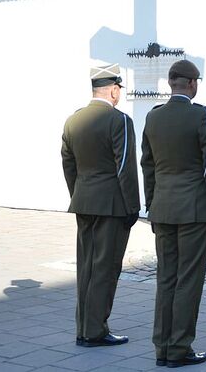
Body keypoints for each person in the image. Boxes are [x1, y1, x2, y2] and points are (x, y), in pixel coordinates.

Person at [140, 60, 206, 368]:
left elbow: (147, 166)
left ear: (170, 83)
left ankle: (162, 346)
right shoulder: (201, 114)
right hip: (194, 210)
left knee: (166, 279)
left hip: (162, 208)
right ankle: (179, 348)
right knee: (188, 280)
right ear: (192, 84)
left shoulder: (153, 118)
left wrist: (151, 204)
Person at [61, 63, 140, 347]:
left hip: (84, 201)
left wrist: (79, 193)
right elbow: (125, 168)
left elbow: (68, 164)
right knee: (105, 268)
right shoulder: (119, 121)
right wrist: (133, 206)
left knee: (86, 267)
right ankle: (95, 330)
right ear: (114, 91)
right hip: (112, 205)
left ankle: (84, 327)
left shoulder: (74, 120)